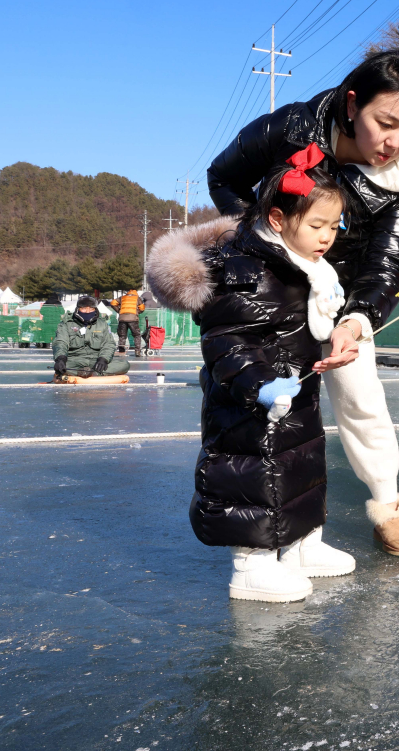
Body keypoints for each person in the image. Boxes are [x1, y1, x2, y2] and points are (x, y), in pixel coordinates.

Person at [202, 50, 399, 556]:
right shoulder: (292, 127)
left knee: (362, 399)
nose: (395, 143)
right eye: (386, 123)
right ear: (353, 105)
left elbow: (385, 269)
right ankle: (274, 543)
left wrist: (355, 322)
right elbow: (222, 175)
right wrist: (263, 246)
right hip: (272, 293)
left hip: (338, 301)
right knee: (273, 408)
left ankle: (387, 503)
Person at [152, 148, 356, 602]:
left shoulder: (306, 267)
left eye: (333, 226)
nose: (326, 238)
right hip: (250, 402)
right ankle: (251, 568)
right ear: (280, 220)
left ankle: (304, 546)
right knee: (252, 478)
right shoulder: (245, 271)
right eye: (316, 226)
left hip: (296, 392)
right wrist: (259, 385)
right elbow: (226, 341)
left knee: (301, 468)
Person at [52, 296, 130, 378]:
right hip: (74, 360)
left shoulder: (102, 324)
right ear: (78, 309)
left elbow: (109, 344)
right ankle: (86, 372)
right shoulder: (66, 324)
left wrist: (103, 359)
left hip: (96, 360)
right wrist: (61, 358)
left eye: (91, 309)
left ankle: (89, 372)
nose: (87, 311)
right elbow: (60, 342)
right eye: (84, 309)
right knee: (61, 366)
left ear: (95, 309)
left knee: (124, 365)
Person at [109, 288, 146, 356]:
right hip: (133, 319)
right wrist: (136, 312)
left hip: (122, 318)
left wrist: (119, 311)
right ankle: (137, 351)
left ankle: (121, 351)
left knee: (122, 335)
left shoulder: (122, 297)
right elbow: (142, 308)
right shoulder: (137, 298)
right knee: (137, 335)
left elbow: (113, 303)